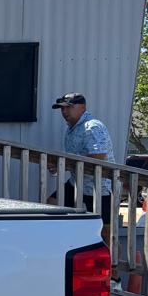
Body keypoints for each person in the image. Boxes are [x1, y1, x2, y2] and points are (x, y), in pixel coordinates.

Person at [52, 92, 114, 225]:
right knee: (51, 206)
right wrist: (59, 165)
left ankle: (110, 246)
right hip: (76, 183)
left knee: (103, 231)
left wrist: (65, 165)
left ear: (83, 108)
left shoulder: (92, 126)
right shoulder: (72, 127)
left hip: (99, 188)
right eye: (62, 108)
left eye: (69, 107)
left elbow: (99, 157)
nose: (64, 111)